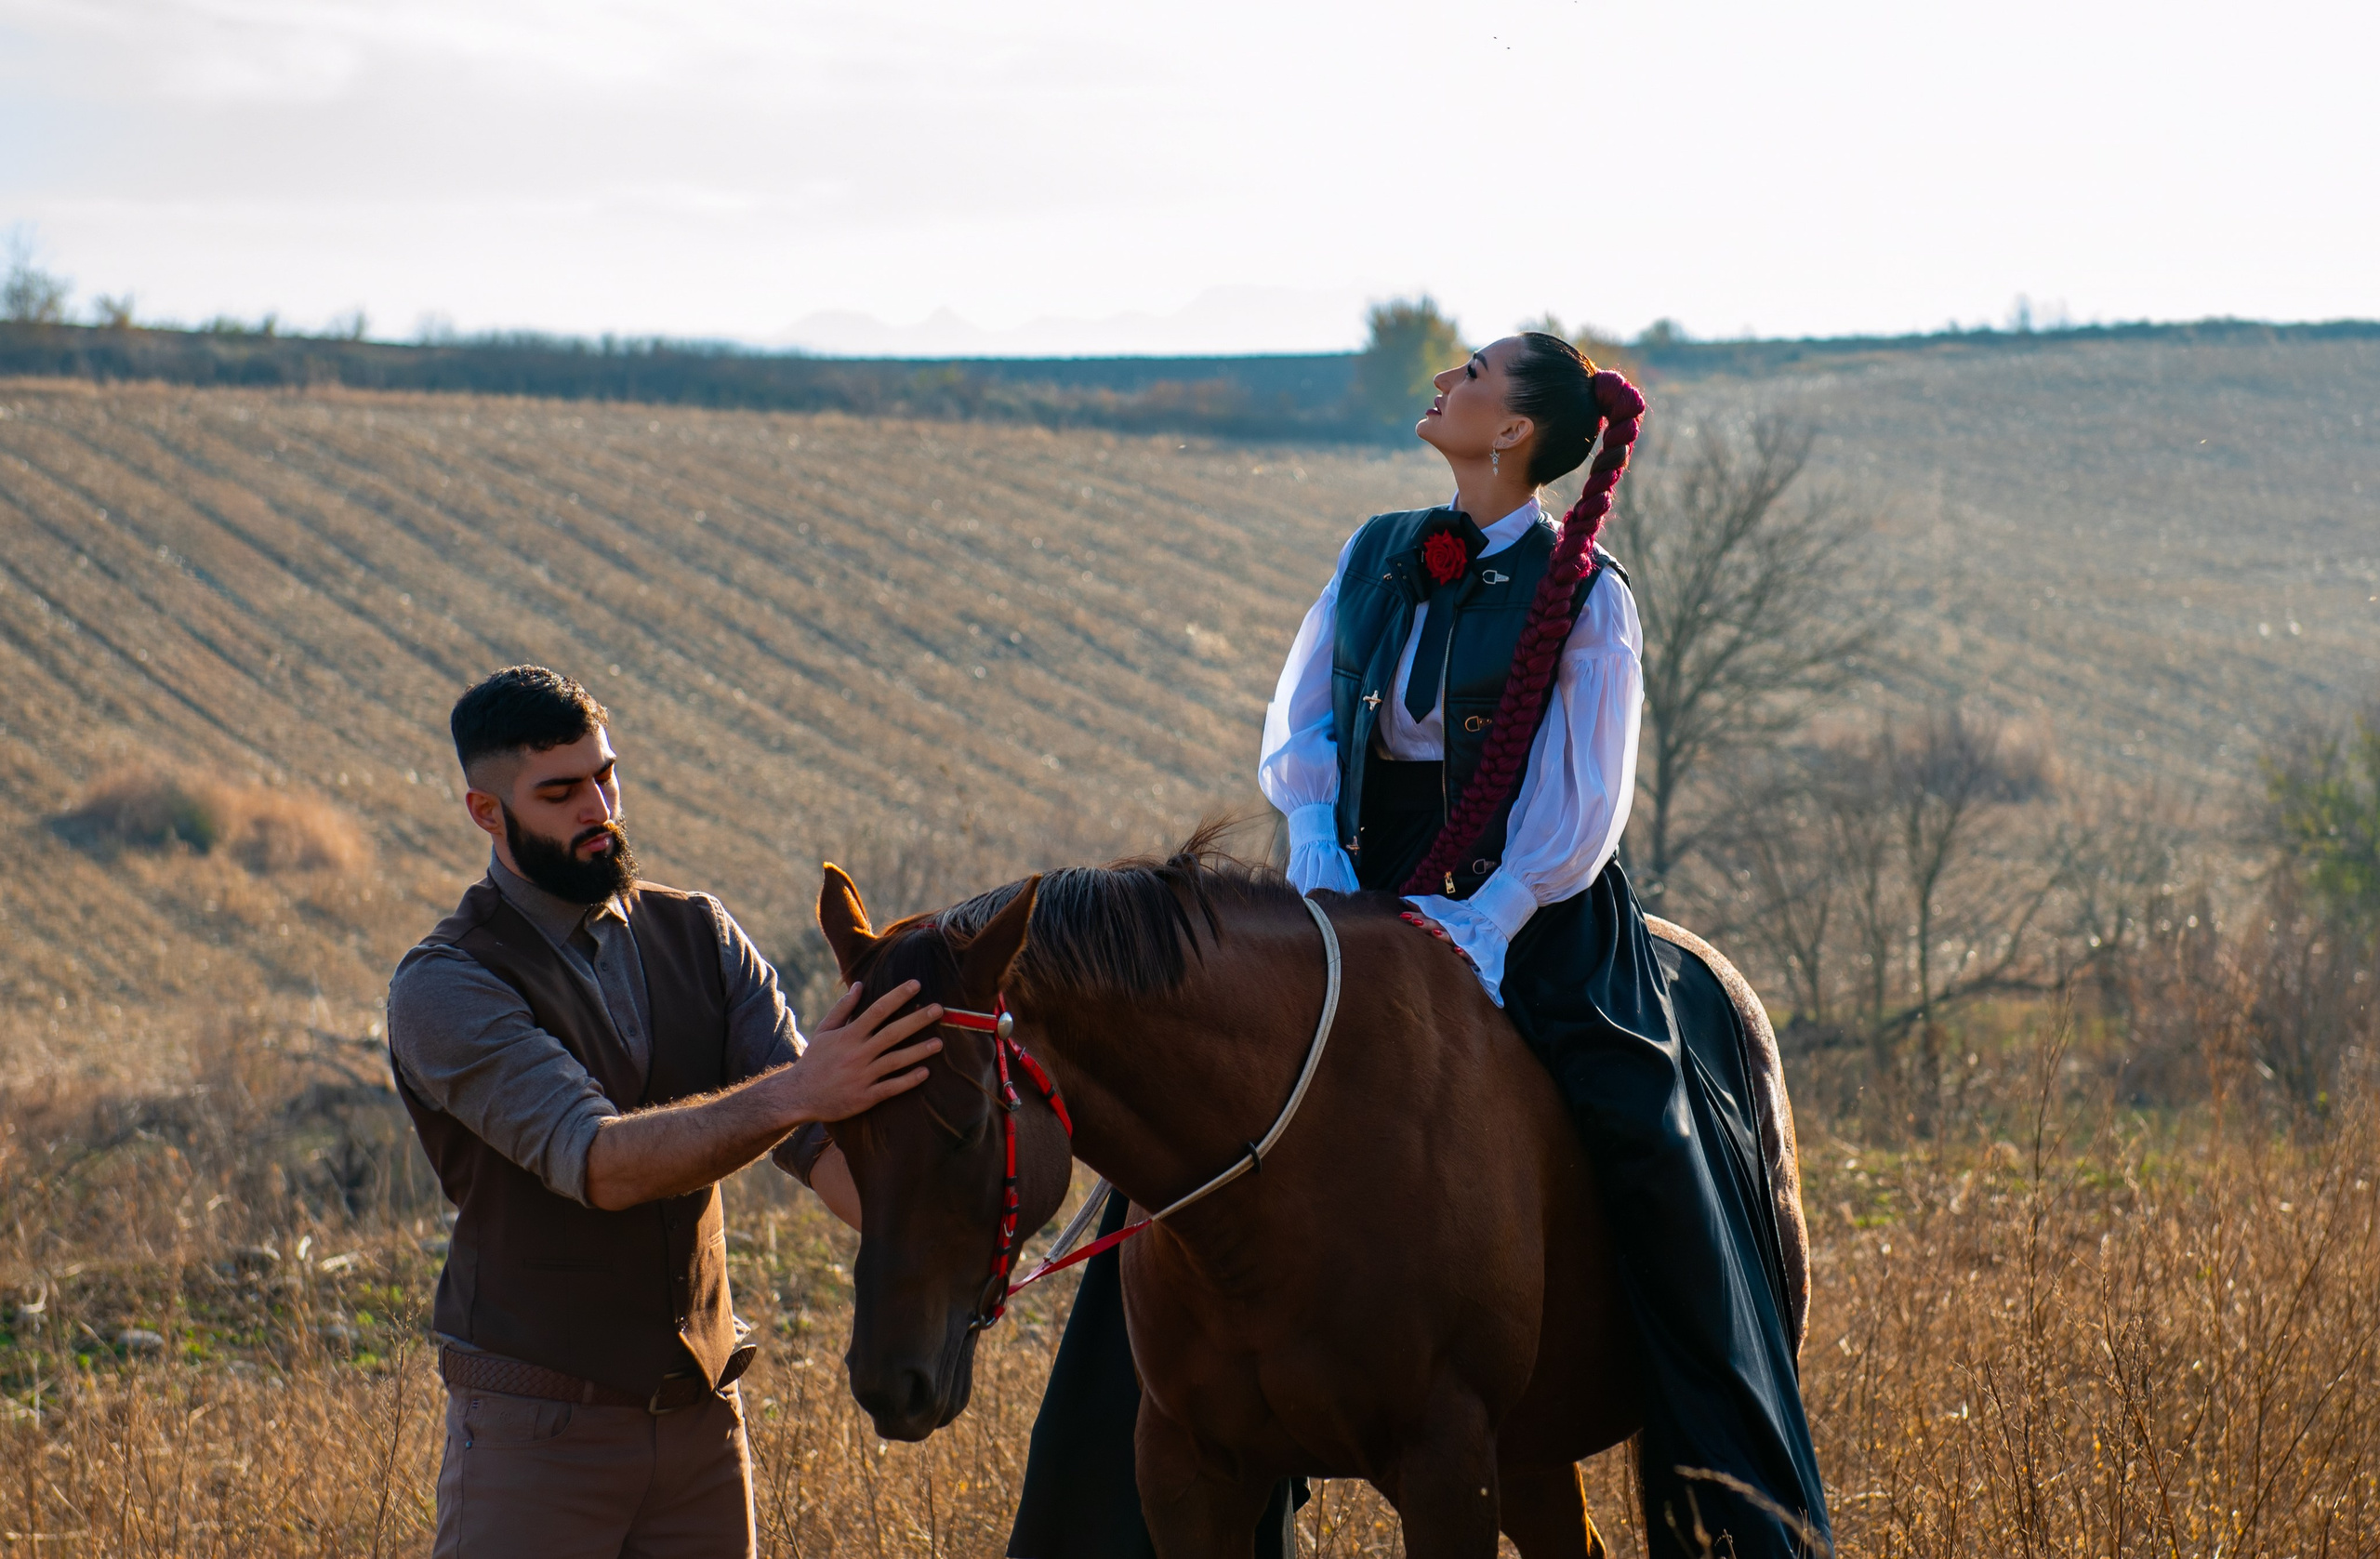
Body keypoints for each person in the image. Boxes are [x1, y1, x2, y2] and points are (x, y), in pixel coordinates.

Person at [1012, 334, 1831, 1557]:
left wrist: (1478, 921)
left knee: (1643, 1134)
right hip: (1349, 892)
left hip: (1533, 912)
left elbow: (1582, 810)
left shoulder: (1593, 596)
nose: (1448, 375)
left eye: (1478, 372)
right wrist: (1332, 890)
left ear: (1514, 433)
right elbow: (1303, 742)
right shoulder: (1374, 554)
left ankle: (1714, 1437)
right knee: (1174, 1148)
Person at [389, 665, 945, 1559]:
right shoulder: (447, 982)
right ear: (485, 812)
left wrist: (947, 1242)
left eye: (606, 774)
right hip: (537, 1434)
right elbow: (601, 1162)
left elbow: (816, 1139)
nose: (598, 805)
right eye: (561, 791)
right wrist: (805, 1084)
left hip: (702, 1432)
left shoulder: (702, 934)